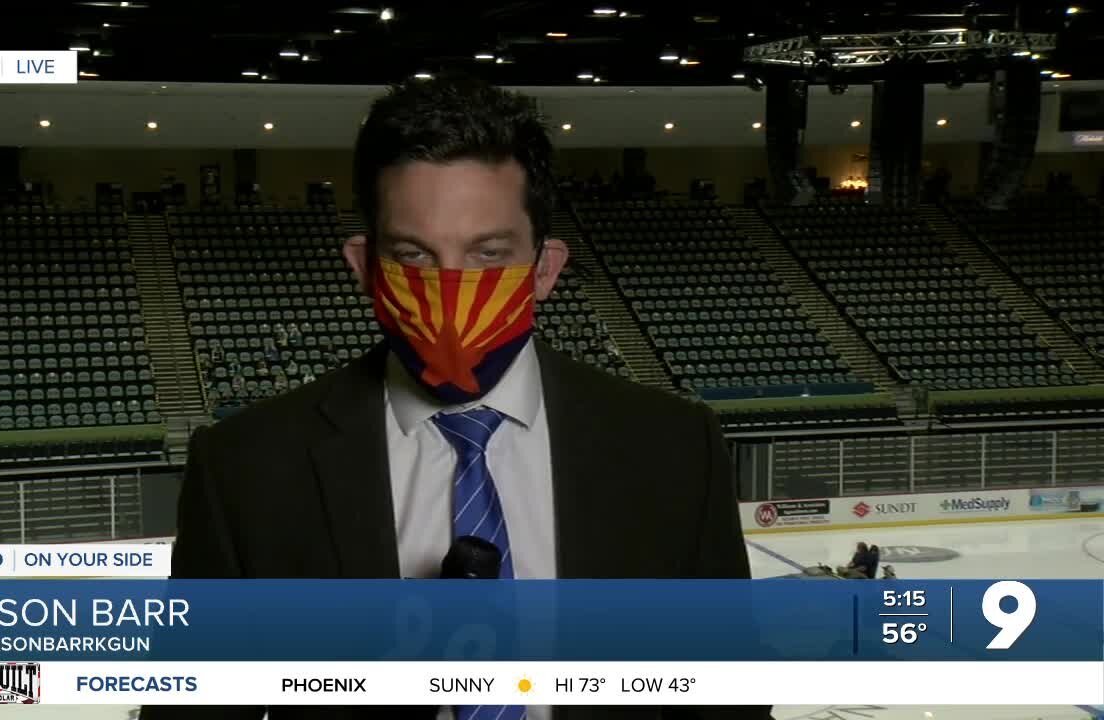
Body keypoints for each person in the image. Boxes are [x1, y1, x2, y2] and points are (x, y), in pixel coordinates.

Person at [144, 75, 765, 720]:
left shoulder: (673, 448)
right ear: (364, 268)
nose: (449, 292)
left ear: (545, 269)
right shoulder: (245, 467)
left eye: (488, 255)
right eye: (413, 254)